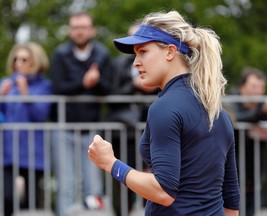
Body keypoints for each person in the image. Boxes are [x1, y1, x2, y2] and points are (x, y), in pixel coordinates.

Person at [88, 10, 240, 216]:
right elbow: (231, 201)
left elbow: (163, 191)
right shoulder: (218, 110)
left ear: (170, 52)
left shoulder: (164, 107)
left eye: (143, 52)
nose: (135, 62)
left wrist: (111, 163)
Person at [49, 11, 112, 215]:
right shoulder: (60, 54)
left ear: (92, 30)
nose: (79, 31)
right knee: (66, 186)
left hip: (92, 129)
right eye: (75, 27)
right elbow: (58, 87)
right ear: (70, 30)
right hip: (63, 127)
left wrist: (97, 82)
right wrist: (85, 82)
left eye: (83, 27)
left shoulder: (102, 54)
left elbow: (109, 89)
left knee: (93, 187)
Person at [104, 20, 158, 215]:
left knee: (152, 178)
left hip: (151, 130)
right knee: (123, 179)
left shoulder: (158, 62)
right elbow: (111, 96)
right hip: (124, 132)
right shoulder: (118, 64)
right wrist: (134, 85)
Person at [0, 42, 52, 216]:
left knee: (30, 203)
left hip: (31, 151)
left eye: (24, 59)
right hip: (7, 151)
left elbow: (40, 115)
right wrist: (2, 97)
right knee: (6, 197)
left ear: (35, 61)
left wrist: (26, 95)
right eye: (16, 59)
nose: (18, 63)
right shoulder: (6, 84)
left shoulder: (44, 86)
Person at [228, 66, 267, 216]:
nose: (258, 92)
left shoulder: (263, 105)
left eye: (261, 87)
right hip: (231, 179)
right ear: (242, 87)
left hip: (255, 179)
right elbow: (236, 118)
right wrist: (262, 113)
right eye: (254, 86)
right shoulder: (230, 102)